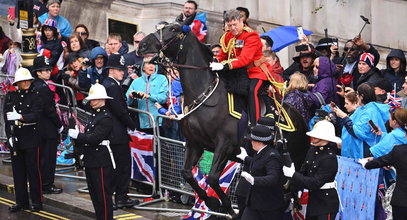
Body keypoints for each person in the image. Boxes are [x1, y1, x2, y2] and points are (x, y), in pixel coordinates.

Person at [213, 9, 273, 127]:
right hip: (238, 72)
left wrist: (224, 65)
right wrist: (215, 61)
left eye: (235, 24)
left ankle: (255, 124)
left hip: (256, 71)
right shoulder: (227, 36)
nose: (233, 28)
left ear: (241, 21)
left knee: (252, 90)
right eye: (230, 25)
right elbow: (223, 54)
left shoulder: (251, 35)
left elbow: (244, 59)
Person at [68, 82, 115, 220]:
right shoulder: (95, 115)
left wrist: (79, 136)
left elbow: (95, 138)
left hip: (100, 159)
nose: (92, 102)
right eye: (91, 99)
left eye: (95, 99)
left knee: (102, 194)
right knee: (95, 194)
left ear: (103, 99)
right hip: (92, 158)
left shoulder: (106, 117)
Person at [101, 53, 139, 209]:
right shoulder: (112, 87)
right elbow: (121, 111)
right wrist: (132, 125)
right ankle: (120, 198)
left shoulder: (109, 84)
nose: (122, 72)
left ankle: (119, 198)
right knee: (122, 167)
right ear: (111, 70)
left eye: (122, 69)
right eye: (119, 69)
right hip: (117, 134)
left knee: (117, 167)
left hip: (113, 133)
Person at [283, 120, 341, 220]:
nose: (313, 137)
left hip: (325, 203)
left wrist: (293, 175)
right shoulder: (312, 149)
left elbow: (315, 183)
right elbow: (304, 171)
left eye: (316, 136)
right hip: (313, 200)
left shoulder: (329, 158)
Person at [4, 67, 43, 212]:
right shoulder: (11, 96)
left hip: (31, 137)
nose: (26, 83)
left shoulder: (35, 96)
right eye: (22, 81)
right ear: (17, 83)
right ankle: (21, 201)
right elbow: (7, 119)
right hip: (16, 139)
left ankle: (37, 202)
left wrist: (21, 117)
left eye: (27, 80)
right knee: (18, 172)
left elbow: (37, 115)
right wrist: (9, 137)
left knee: (33, 172)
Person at [236, 125, 285, 219]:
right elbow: (259, 164)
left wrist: (254, 180)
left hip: (268, 206)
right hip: (254, 203)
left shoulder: (272, 156)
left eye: (252, 140)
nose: (250, 142)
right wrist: (246, 158)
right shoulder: (261, 152)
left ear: (258, 142)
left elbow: (273, 178)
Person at [31, 56, 64, 194]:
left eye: (49, 69)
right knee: (49, 159)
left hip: (39, 128)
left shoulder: (35, 85)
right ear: (38, 72)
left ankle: (42, 183)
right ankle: (47, 184)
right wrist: (60, 125)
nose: (48, 72)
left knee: (42, 158)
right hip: (48, 129)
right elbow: (49, 109)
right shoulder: (43, 88)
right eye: (44, 70)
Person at [336, 83, 390, 158]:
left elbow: (357, 132)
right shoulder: (365, 108)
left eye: (357, 94)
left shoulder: (370, 111)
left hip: (364, 153)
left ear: (362, 96)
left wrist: (344, 116)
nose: (356, 96)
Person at [359, 136, 407, 220]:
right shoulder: (399, 150)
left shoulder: (399, 151)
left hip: (401, 201)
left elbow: (381, 161)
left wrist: (366, 164)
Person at [126, 57, 168, 134]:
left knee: (159, 145)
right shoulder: (136, 81)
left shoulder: (162, 78)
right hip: (141, 123)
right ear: (143, 67)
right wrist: (130, 96)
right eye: (149, 64)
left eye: (154, 64)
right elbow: (126, 102)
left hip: (159, 122)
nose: (152, 66)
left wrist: (148, 96)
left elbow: (164, 98)